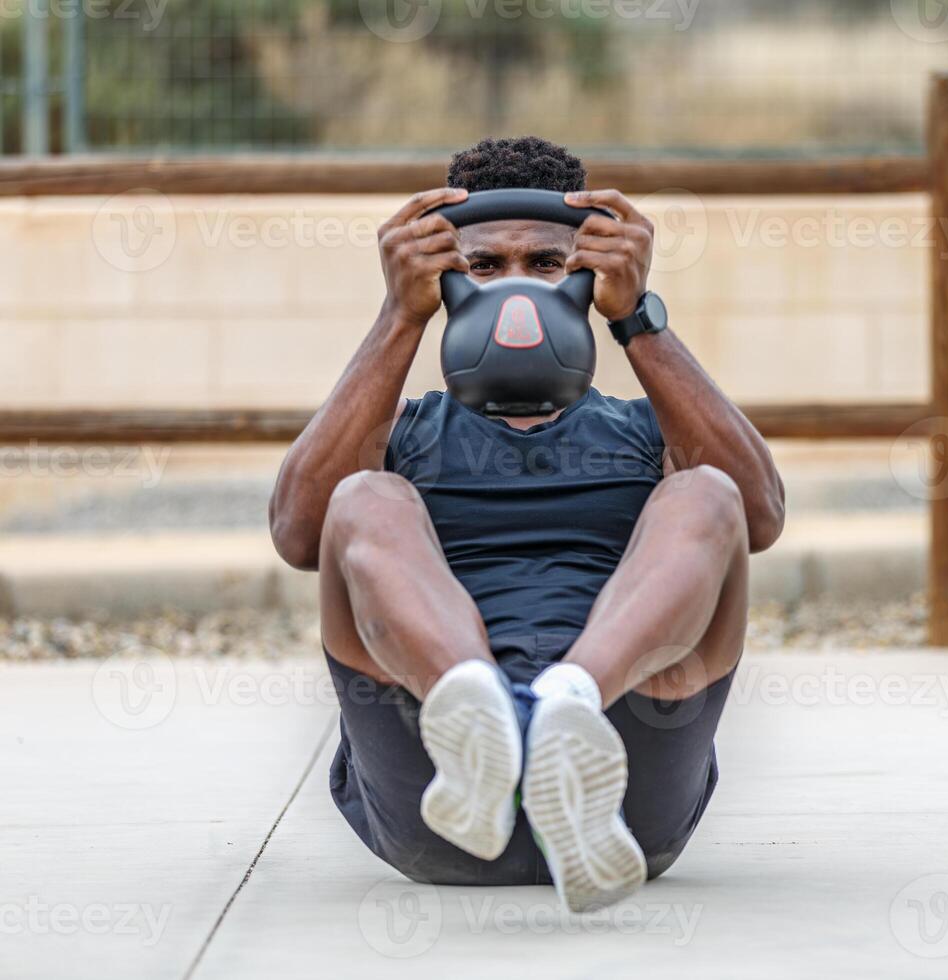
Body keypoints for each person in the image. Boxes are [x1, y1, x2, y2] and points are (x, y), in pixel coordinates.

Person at [268, 136, 784, 912]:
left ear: (587, 276)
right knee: (361, 499)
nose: (518, 288)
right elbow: (298, 533)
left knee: (709, 494)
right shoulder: (401, 433)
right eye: (483, 267)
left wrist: (638, 318)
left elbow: (761, 513)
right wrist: (398, 316)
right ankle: (480, 716)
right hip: (437, 797)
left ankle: (564, 713)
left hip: (621, 790)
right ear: (446, 280)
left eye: (546, 264)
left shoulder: (648, 432)